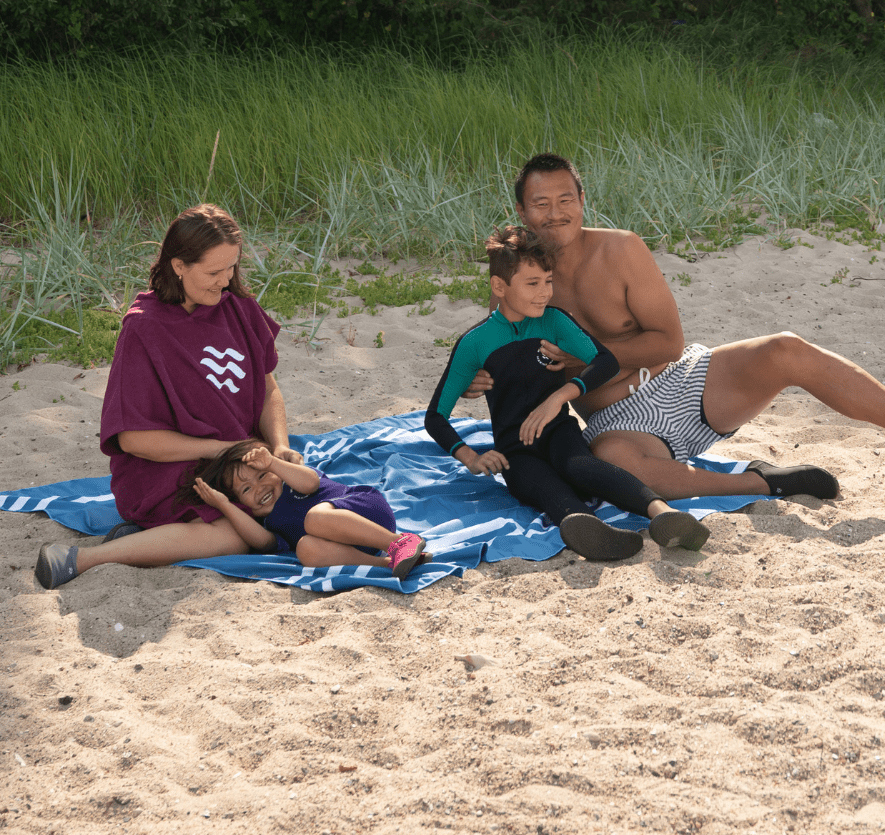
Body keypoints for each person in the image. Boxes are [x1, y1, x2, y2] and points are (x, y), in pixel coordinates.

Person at [467, 152, 885, 501]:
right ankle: (763, 481)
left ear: (582, 199)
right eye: (541, 204)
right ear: (522, 211)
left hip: (683, 380)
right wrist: (479, 379)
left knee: (784, 348)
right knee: (613, 465)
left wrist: (586, 354)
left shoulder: (622, 248)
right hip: (617, 420)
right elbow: (500, 368)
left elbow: (669, 343)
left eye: (565, 200)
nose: (555, 214)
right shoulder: (514, 280)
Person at [35, 203, 302, 590]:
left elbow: (268, 388)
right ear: (179, 265)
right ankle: (82, 558)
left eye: (231, 268)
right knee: (236, 536)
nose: (226, 281)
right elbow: (134, 440)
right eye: (213, 272)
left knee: (296, 503)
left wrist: (279, 447)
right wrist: (220, 449)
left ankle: (142, 542)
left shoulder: (240, 307)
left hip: (235, 459)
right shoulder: (144, 328)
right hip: (166, 468)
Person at [425, 225, 711, 561]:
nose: (544, 293)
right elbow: (436, 415)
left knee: (582, 466)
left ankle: (663, 513)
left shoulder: (555, 322)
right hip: (515, 450)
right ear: (499, 286)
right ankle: (587, 529)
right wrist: (470, 456)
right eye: (532, 284)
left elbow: (604, 360)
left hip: (560, 432)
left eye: (548, 281)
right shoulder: (475, 343)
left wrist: (560, 397)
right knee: (542, 484)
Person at [187, 439, 426, 577]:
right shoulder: (270, 522)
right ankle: (391, 563)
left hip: (367, 513)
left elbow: (311, 482)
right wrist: (224, 505)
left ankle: (398, 542)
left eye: (262, 476)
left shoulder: (292, 483)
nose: (259, 489)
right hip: (353, 546)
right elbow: (263, 543)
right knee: (305, 549)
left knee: (313, 519)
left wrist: (272, 462)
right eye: (246, 490)